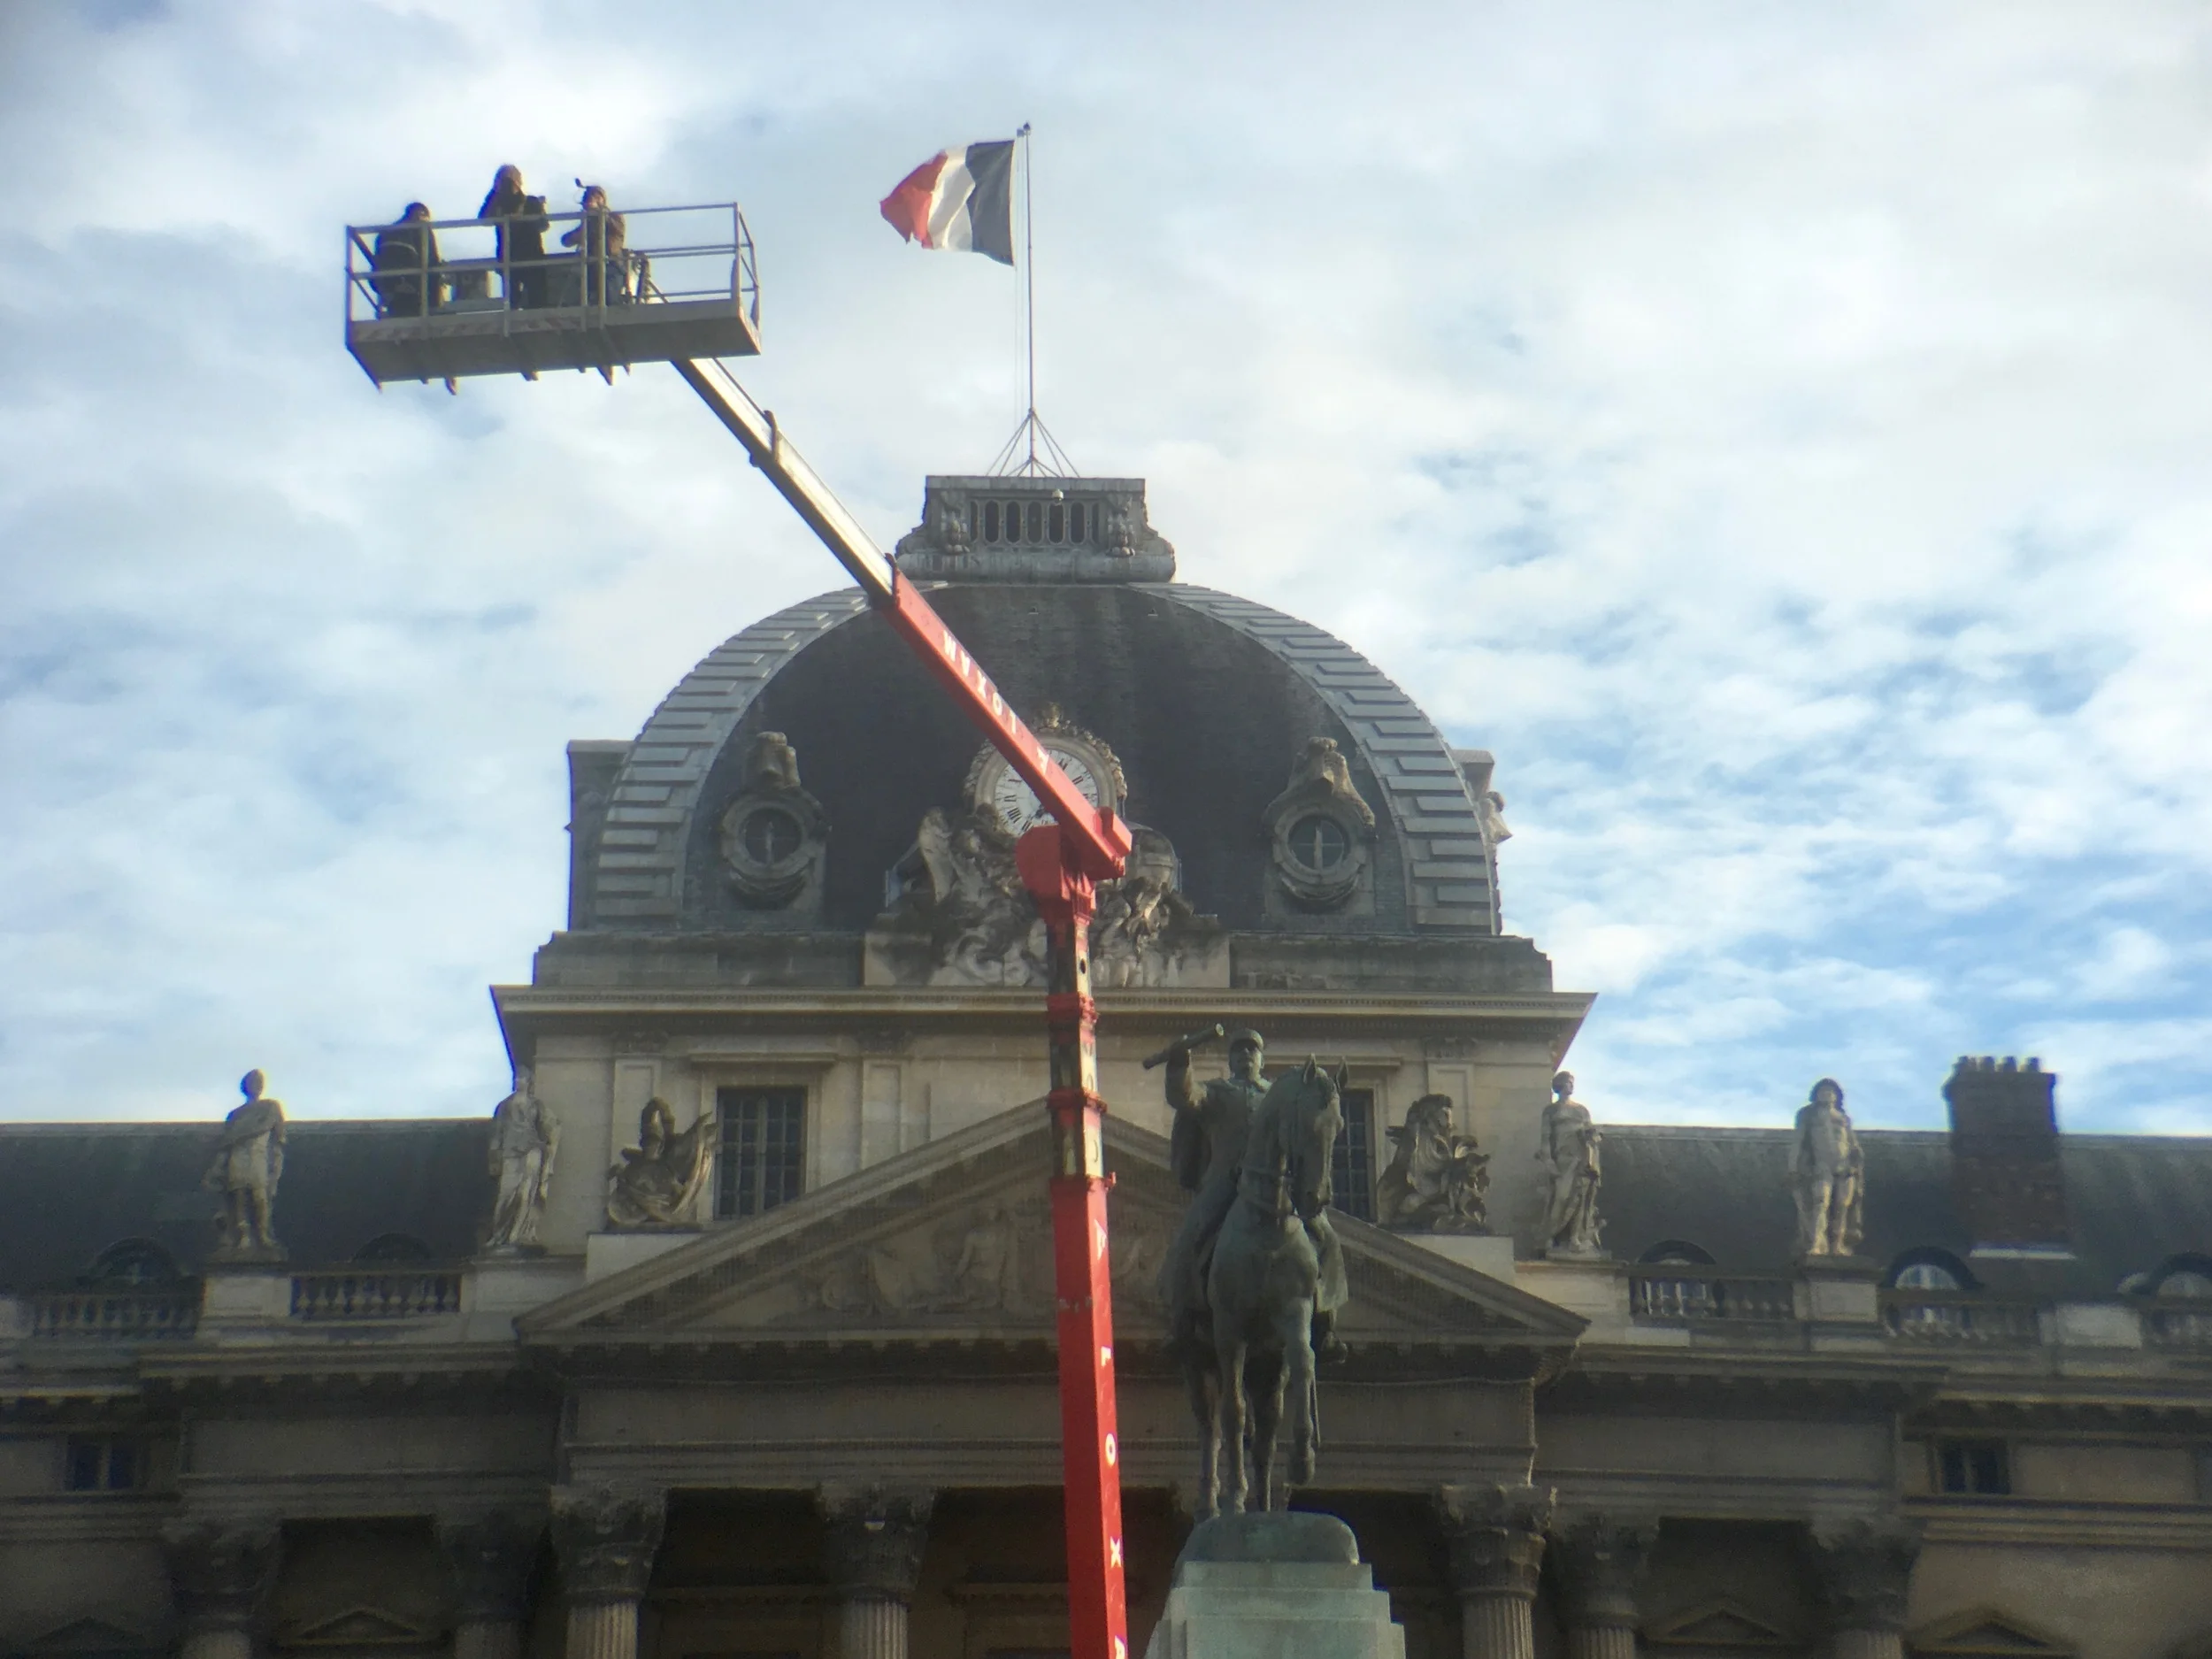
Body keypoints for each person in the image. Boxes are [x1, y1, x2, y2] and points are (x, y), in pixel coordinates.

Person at [478, 165, 550, 308]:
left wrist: (537, 212)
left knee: (537, 300)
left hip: (531, 256)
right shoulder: (497, 205)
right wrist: (494, 193)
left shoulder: (530, 202)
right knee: (512, 301)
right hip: (509, 258)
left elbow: (543, 225)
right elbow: (483, 218)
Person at [370, 202, 442, 319]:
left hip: (386, 287)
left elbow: (378, 264)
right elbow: (432, 262)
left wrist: (387, 287)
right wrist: (435, 303)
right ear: (421, 214)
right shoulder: (422, 230)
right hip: (412, 287)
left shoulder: (385, 232)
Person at [561, 182, 629, 305]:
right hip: (592, 268)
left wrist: (598, 212)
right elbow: (567, 240)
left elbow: (614, 230)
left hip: (612, 266)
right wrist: (584, 228)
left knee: (610, 303)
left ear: (601, 199)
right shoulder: (588, 222)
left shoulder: (615, 217)